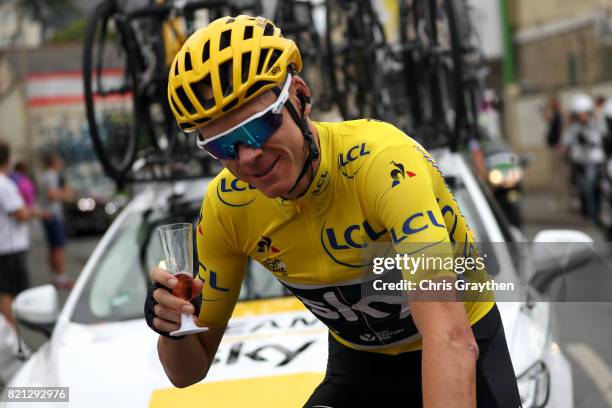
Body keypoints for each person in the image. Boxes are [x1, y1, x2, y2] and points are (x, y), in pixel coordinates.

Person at [145, 16, 521, 407]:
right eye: (223, 146)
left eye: (259, 126)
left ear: (301, 98)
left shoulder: (384, 166)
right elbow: (187, 373)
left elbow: (450, 339)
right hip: (361, 370)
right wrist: (173, 326)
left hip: (460, 345)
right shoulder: (228, 208)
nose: (249, 156)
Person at [0, 141, 44, 328]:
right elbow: (21, 214)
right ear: (8, 159)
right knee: (9, 294)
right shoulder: (5, 185)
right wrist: (32, 212)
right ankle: (12, 339)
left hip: (4, 247)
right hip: (9, 248)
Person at [561, 94, 605, 222]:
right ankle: (591, 213)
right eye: (580, 114)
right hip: (581, 163)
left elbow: (600, 139)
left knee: (595, 187)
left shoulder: (596, 124)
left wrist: (589, 139)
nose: (583, 117)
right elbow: (566, 141)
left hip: (595, 161)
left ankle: (596, 212)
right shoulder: (574, 127)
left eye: (585, 113)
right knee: (586, 188)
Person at [39, 153, 73, 289]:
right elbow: (52, 195)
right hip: (53, 216)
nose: (61, 161)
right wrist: (66, 193)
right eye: (59, 159)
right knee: (58, 247)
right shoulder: (51, 175)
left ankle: (56, 276)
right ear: (53, 162)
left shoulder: (47, 175)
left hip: (49, 215)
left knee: (53, 246)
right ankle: (61, 277)